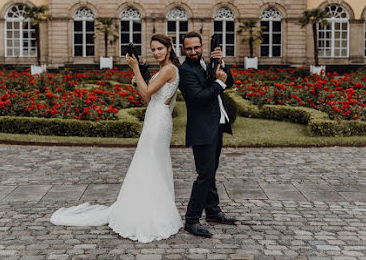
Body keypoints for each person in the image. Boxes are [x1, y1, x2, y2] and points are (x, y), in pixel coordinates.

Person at [50, 34, 183, 243]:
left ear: (169, 48)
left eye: (160, 48)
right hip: (155, 118)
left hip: (158, 123)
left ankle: (151, 213)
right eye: (154, 49)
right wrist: (139, 75)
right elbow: (147, 96)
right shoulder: (164, 69)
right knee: (149, 163)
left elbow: (147, 92)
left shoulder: (168, 69)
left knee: (150, 163)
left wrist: (136, 69)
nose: (156, 52)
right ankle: (147, 207)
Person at [178, 31, 237, 238]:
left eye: (196, 47)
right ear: (183, 50)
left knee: (211, 172)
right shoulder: (185, 71)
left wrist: (222, 64)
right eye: (189, 48)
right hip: (201, 129)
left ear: (202, 46)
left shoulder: (208, 64)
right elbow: (197, 98)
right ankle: (191, 220)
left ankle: (212, 212)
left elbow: (229, 82)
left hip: (216, 125)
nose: (193, 51)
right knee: (204, 175)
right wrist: (218, 84)